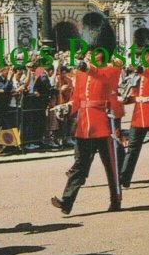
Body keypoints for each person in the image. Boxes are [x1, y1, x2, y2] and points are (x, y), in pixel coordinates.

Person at [51, 12, 124, 213]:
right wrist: (66, 108)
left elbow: (101, 76)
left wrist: (86, 66)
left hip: (103, 123)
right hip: (84, 125)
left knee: (111, 167)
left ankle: (116, 199)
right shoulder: (81, 72)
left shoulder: (112, 67)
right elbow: (77, 98)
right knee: (80, 165)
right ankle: (67, 202)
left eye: (95, 51)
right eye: (89, 50)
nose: (91, 54)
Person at [119, 27, 149, 187]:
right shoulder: (138, 73)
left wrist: (140, 69)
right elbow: (135, 93)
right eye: (140, 54)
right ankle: (124, 178)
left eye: (144, 54)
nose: (141, 57)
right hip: (139, 114)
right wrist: (124, 99)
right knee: (133, 147)